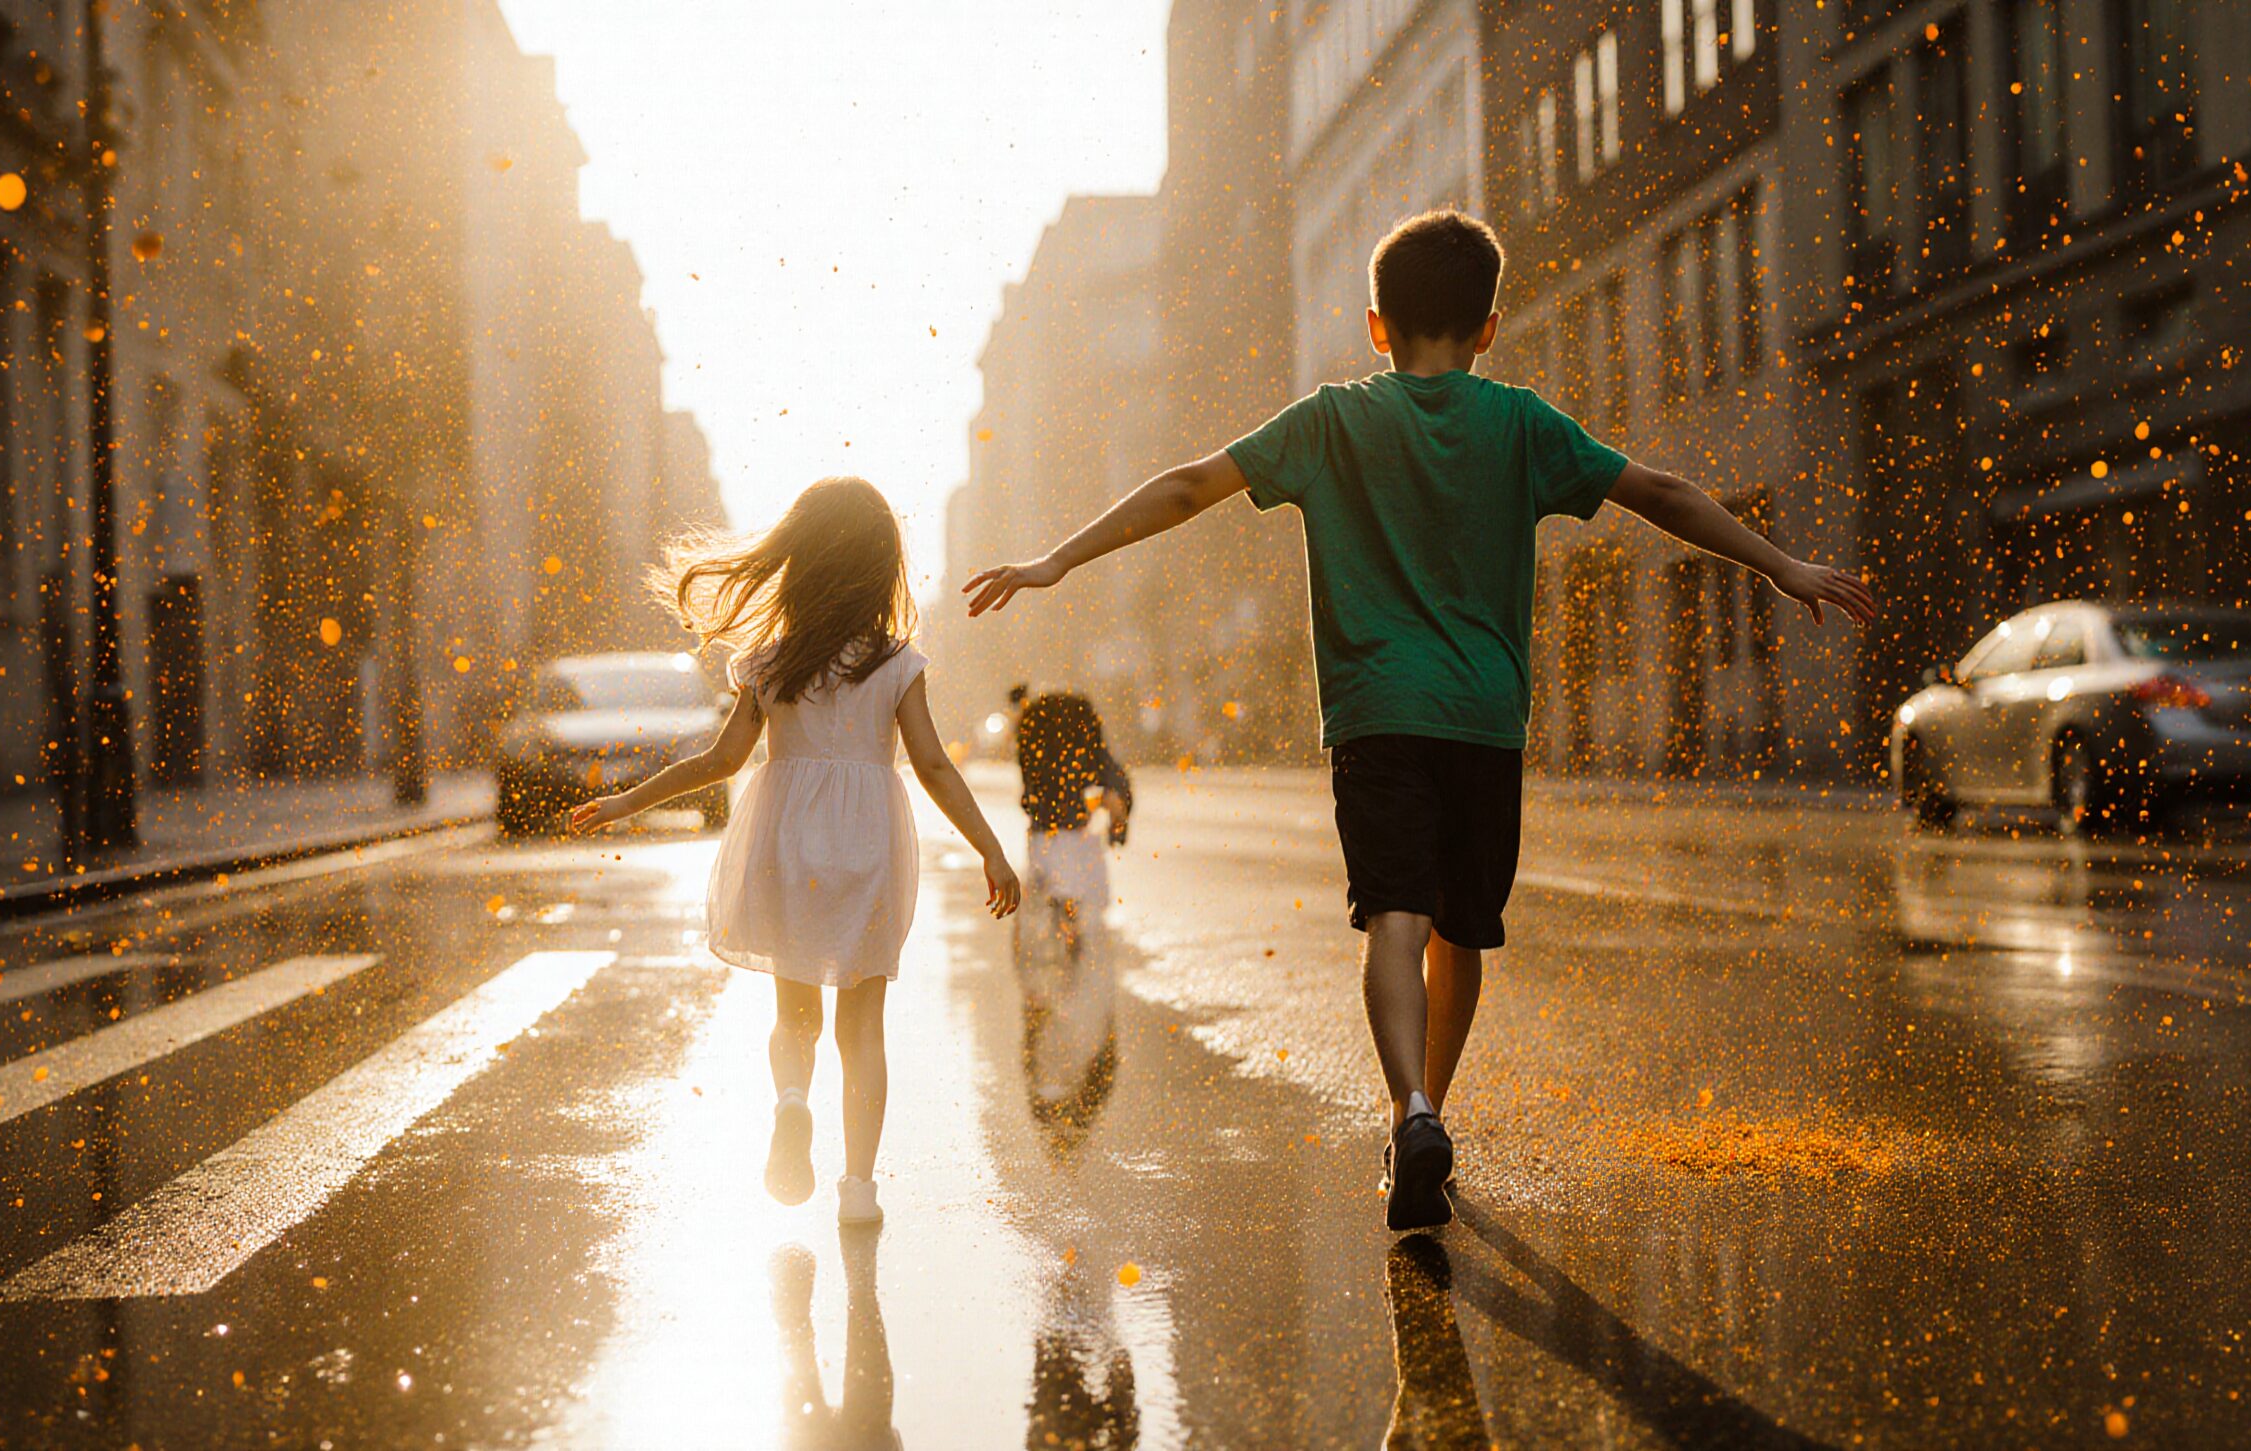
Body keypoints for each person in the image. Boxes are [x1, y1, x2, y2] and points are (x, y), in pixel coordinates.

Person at [962, 211, 1875, 1231]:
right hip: (1486, 718)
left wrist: (1056, 559)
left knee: (1392, 916)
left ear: (1373, 325)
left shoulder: (1332, 421)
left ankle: (1410, 1112)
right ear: (1487, 327)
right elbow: (1659, 491)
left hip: (1376, 716)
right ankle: (1431, 1109)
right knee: (1460, 927)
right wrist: (1781, 563)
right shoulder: (1522, 423)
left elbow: (1185, 487)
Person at [574, 476, 1022, 1225]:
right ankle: (858, 1189)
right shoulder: (896, 662)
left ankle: (790, 1101)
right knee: (862, 1026)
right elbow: (936, 766)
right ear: (882, 567)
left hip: (787, 840)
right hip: (869, 843)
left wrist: (626, 801)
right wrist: (990, 849)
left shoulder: (769, 661)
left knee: (795, 1014)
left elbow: (719, 763)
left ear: (799, 561)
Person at [1015, 691, 1132, 962]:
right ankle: (1072, 943)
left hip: (1043, 831)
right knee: (1077, 902)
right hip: (1075, 830)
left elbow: (1027, 789)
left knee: (1046, 899)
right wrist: (1118, 829)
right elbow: (1116, 785)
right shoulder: (1086, 741)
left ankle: (1052, 947)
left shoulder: (1033, 735)